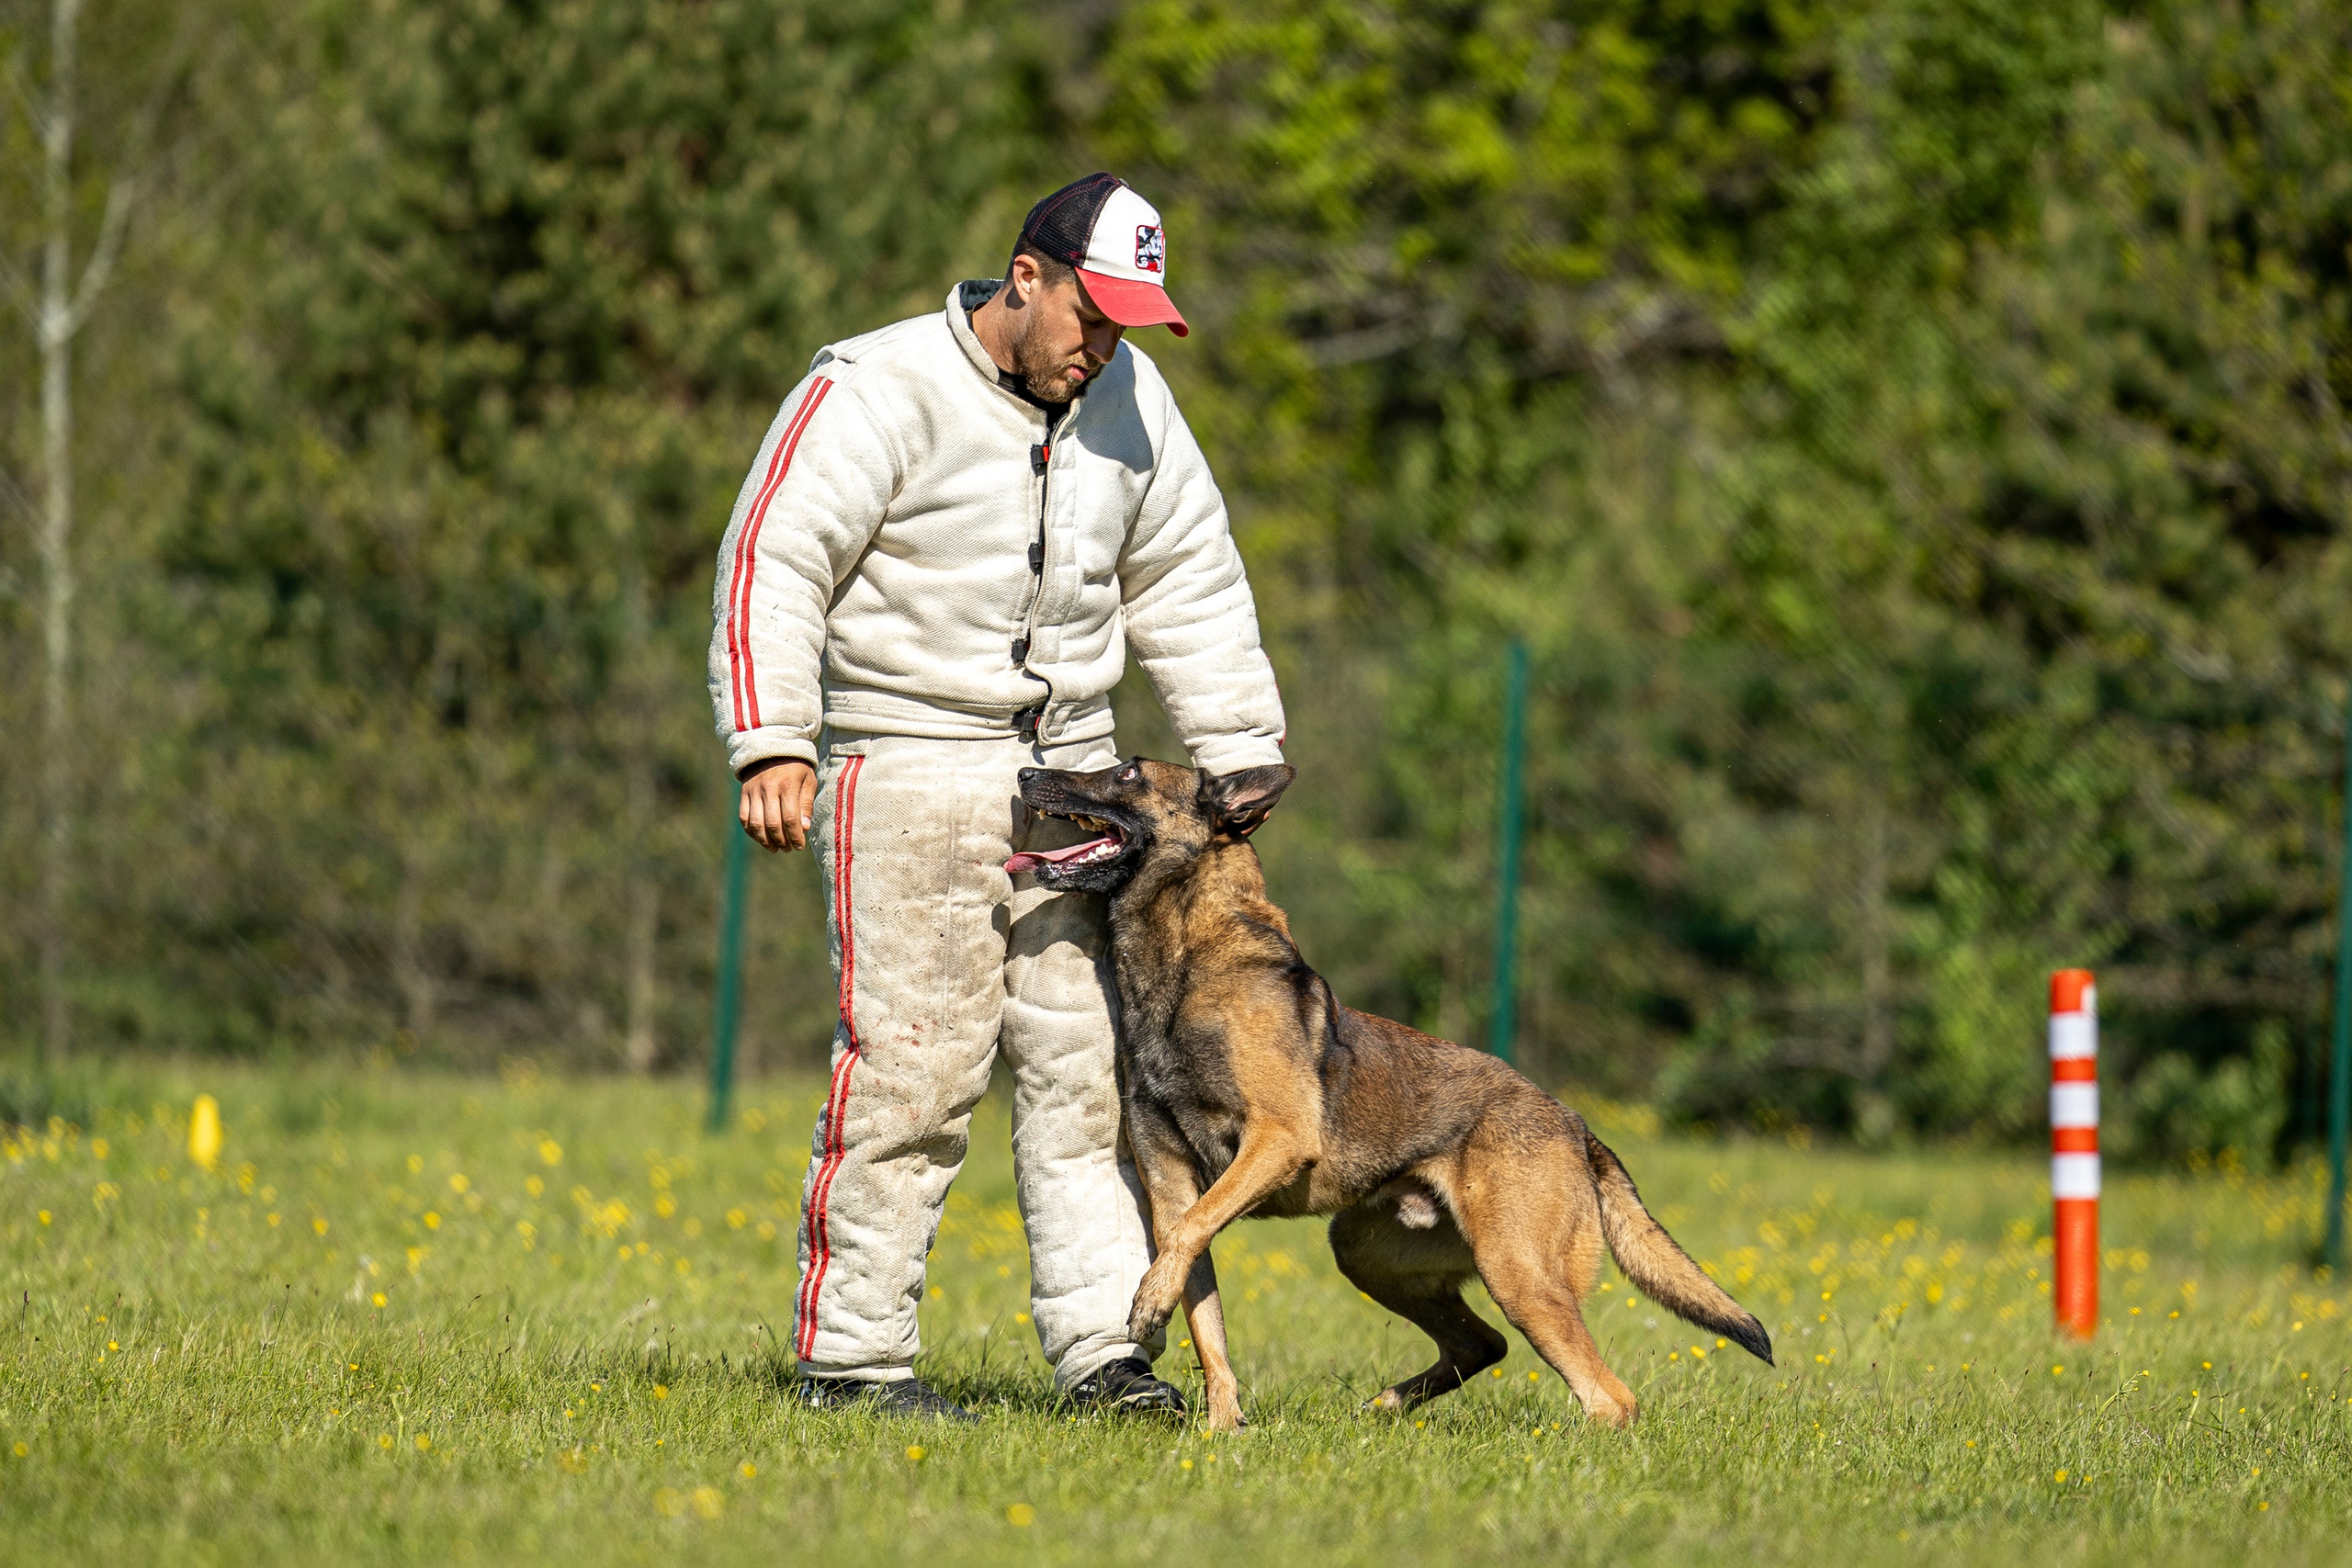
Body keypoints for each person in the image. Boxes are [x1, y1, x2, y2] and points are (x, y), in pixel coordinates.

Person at [709, 174, 1286, 1419]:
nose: (1105, 343)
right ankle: (853, 1364)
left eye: (1129, 322)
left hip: (1078, 783)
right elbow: (774, 551)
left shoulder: (1131, 399)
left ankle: (1105, 1355)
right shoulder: (875, 386)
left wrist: (1239, 740)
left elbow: (1187, 570)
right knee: (911, 1079)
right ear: (1027, 277)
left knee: (1088, 1084)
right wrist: (771, 740)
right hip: (908, 765)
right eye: (1092, 312)